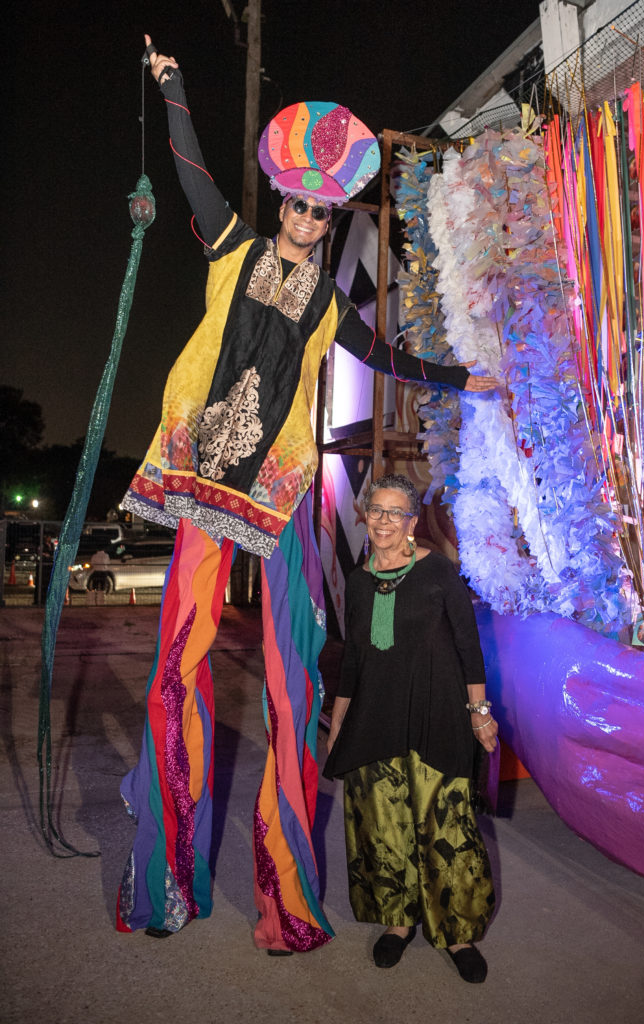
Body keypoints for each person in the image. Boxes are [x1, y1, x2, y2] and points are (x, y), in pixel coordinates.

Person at [116, 36, 499, 953]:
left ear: (329, 224)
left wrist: (459, 380)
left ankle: (287, 901)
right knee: (177, 671)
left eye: (321, 215)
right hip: (207, 478)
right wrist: (171, 84)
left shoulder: (330, 306)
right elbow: (192, 173)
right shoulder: (231, 243)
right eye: (296, 205)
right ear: (281, 204)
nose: (303, 219)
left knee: (294, 687)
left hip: (279, 494)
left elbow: (390, 358)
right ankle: (166, 879)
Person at [324, 474, 497, 981]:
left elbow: (470, 650)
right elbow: (353, 661)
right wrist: (337, 725)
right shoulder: (358, 582)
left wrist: (479, 714)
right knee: (382, 828)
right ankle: (397, 922)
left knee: (449, 830)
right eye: (375, 510)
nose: (382, 521)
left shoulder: (439, 573)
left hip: (437, 717)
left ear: (412, 522)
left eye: (394, 512)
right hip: (374, 721)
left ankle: (458, 932)